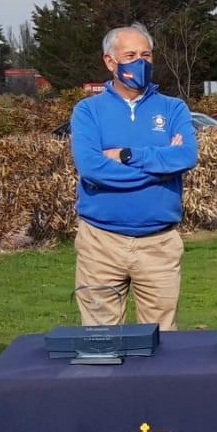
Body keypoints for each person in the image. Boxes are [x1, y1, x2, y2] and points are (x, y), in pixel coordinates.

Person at [68, 24, 197, 328]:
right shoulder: (88, 111)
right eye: (130, 55)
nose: (140, 62)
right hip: (101, 242)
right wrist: (160, 169)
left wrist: (128, 155)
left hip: (159, 243)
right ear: (110, 61)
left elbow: (186, 156)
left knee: (164, 342)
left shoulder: (174, 108)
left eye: (146, 55)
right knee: (101, 341)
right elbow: (91, 168)